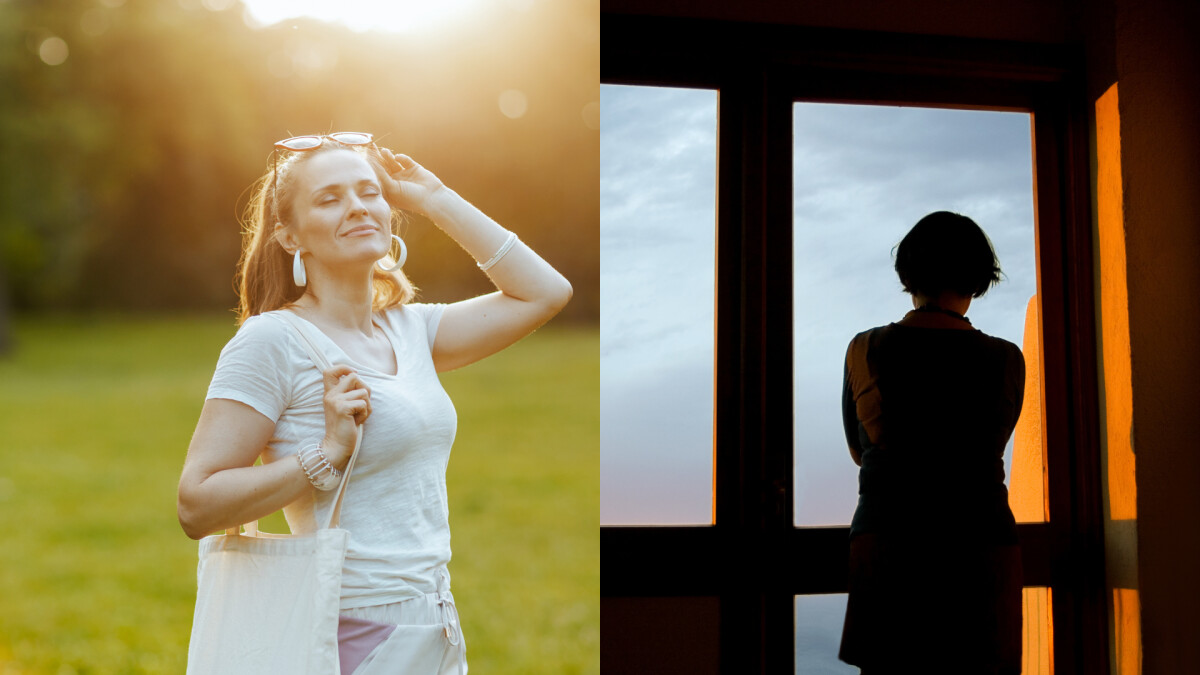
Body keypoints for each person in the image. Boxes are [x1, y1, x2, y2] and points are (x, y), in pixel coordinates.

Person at [176, 132, 572, 674]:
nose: (358, 206)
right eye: (330, 197)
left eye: (369, 192)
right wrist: (327, 454)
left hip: (433, 618)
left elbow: (545, 292)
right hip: (347, 628)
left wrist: (433, 198)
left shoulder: (413, 329)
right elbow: (197, 505)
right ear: (290, 236)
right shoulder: (273, 341)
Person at [838, 211, 1024, 674]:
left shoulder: (866, 349)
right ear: (979, 278)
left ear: (908, 273)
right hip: (981, 546)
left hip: (889, 544)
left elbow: (862, 451)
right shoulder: (1005, 359)